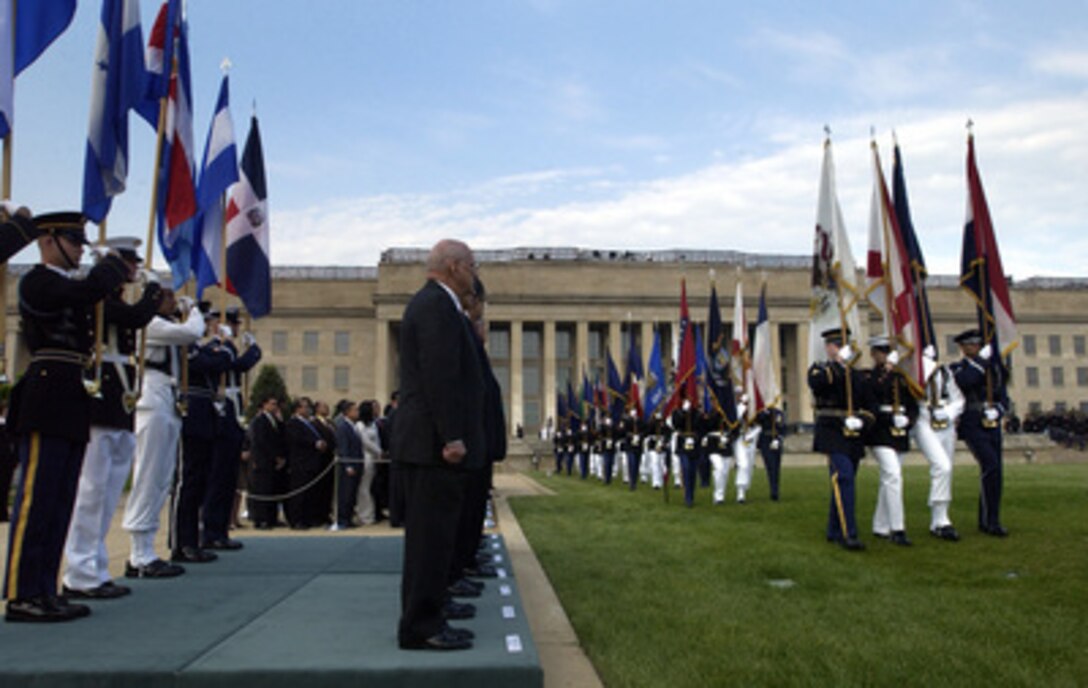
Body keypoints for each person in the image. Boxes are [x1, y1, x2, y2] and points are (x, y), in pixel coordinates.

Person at [4, 212, 130, 622]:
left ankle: (45, 587)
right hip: (46, 391)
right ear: (49, 241)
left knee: (61, 500)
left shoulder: (68, 286)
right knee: (36, 500)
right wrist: (111, 264)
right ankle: (22, 594)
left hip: (71, 391)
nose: (80, 249)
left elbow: (91, 296)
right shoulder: (38, 281)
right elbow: (89, 290)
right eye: (74, 242)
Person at [393, 239, 484, 651]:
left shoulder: (436, 304)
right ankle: (422, 626)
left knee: (434, 539)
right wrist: (452, 436)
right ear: (453, 266)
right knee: (430, 542)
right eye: (471, 265)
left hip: (429, 442)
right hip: (432, 445)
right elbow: (440, 377)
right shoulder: (436, 306)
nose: (474, 272)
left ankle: (430, 613)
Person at [62, 237, 162, 600]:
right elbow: (137, 318)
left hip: (119, 401)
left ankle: (96, 567)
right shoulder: (100, 301)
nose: (134, 269)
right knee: (90, 492)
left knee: (106, 493)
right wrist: (153, 290)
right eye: (129, 264)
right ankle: (79, 571)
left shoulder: (113, 301)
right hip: (100, 398)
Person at [122, 290, 203, 578]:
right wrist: (193, 309)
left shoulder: (163, 325)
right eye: (169, 298)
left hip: (167, 393)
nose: (175, 303)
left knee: (161, 476)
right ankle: (138, 553)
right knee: (149, 473)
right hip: (152, 392)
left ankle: (146, 549)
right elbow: (192, 332)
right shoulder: (151, 324)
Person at [172, 307, 233, 563]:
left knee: (200, 479)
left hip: (204, 412)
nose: (210, 326)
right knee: (189, 480)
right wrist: (222, 346)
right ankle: (180, 542)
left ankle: (191, 539)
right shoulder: (186, 344)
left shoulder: (197, 345)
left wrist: (221, 349)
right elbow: (212, 363)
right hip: (192, 412)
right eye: (207, 321)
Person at [808, 327, 874, 551]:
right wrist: (837, 365)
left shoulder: (859, 376)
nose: (838, 349)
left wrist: (861, 421)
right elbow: (818, 385)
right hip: (832, 432)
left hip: (853, 434)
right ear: (828, 348)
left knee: (844, 480)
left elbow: (870, 407)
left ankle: (833, 529)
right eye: (835, 345)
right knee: (843, 476)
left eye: (842, 345)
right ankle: (849, 534)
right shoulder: (820, 370)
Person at [201, 308, 261, 550]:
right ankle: (210, 530)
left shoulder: (228, 348)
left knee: (228, 478)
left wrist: (251, 350)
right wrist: (253, 351)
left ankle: (220, 530)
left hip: (233, 412)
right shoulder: (213, 348)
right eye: (231, 324)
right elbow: (235, 365)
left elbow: (240, 365)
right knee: (218, 477)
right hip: (221, 411)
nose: (236, 328)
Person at [950, 328, 1009, 537]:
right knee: (990, 465)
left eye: (977, 344)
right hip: (972, 422)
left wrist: (999, 411)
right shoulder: (957, 368)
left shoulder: (993, 369)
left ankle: (990, 519)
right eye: (969, 345)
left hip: (991, 421)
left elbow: (1003, 394)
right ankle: (988, 520)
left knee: (996, 471)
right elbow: (964, 382)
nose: (973, 347)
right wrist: (981, 363)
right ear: (963, 348)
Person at [863, 336, 916, 546]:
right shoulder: (871, 377)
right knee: (893, 475)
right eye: (880, 352)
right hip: (880, 431)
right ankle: (898, 528)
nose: (883, 356)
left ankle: (880, 525)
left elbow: (913, 405)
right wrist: (887, 370)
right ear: (874, 354)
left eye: (887, 352)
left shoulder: (902, 378)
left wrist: (908, 420)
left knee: (889, 479)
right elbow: (871, 400)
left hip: (899, 431)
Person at [911, 345, 964, 541]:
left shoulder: (944, 371)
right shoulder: (910, 371)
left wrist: (949, 412)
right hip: (924, 419)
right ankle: (942, 520)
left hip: (945, 423)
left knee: (946, 469)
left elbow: (958, 399)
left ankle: (939, 519)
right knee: (942, 466)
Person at [284, 397, 328, 529]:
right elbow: (298, 439)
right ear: (297, 409)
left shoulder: (308, 423)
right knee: (299, 493)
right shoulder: (293, 423)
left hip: (311, 462)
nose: (307, 409)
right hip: (300, 462)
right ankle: (297, 519)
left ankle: (307, 517)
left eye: (308, 407)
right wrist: (315, 443)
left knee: (310, 493)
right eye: (304, 407)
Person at [246, 395, 285, 529]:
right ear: (264, 405)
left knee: (272, 490)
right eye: (272, 404)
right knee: (262, 490)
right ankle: (260, 519)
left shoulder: (274, 420)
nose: (275, 407)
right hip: (263, 460)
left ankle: (271, 518)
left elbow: (279, 437)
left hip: (273, 462)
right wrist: (274, 456)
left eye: (276, 404)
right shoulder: (259, 421)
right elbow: (261, 442)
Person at [333, 400, 362, 529]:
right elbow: (343, 448)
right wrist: (348, 465)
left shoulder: (353, 426)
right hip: (348, 465)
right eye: (354, 410)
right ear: (347, 412)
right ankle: (343, 519)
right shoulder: (343, 427)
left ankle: (348, 517)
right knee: (345, 493)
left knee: (351, 494)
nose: (357, 412)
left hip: (357, 464)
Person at [355, 400, 381, 526]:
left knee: (369, 487)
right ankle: (364, 515)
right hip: (365, 456)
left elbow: (376, 440)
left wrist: (378, 452)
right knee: (363, 487)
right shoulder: (359, 425)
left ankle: (369, 513)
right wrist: (378, 451)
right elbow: (365, 442)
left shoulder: (372, 424)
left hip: (374, 457)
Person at [755, 405, 786, 501]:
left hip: (776, 441)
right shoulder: (761, 412)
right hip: (765, 440)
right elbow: (757, 421)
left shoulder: (778, 413)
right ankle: (774, 491)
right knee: (770, 466)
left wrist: (779, 439)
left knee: (776, 467)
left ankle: (775, 490)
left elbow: (783, 427)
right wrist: (765, 413)